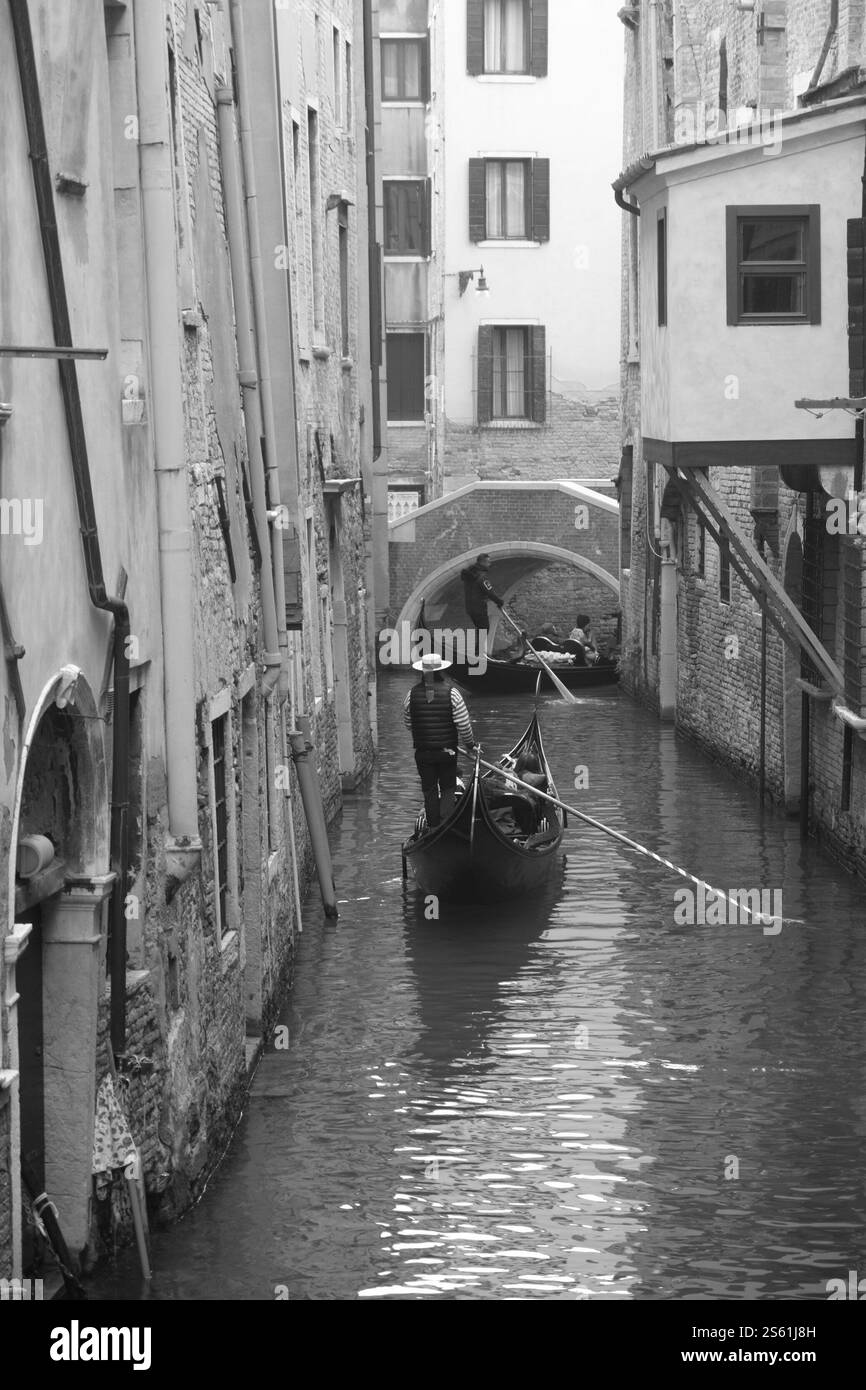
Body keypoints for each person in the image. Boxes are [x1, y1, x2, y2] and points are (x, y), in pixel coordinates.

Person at [403, 653, 478, 828]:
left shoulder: (411, 695)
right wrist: (470, 745)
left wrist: (425, 733)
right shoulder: (453, 694)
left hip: (423, 753)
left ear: (423, 672)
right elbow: (464, 726)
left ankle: (433, 828)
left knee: (429, 791)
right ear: (441, 671)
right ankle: (446, 826)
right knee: (447, 789)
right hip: (447, 752)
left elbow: (409, 724)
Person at [460, 553, 504, 633]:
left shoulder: (469, 574)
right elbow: (490, 592)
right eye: (488, 562)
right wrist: (499, 601)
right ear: (483, 563)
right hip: (479, 609)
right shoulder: (481, 577)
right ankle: (478, 646)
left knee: (480, 629)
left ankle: (478, 645)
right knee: (484, 630)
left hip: (470, 609)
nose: (489, 564)